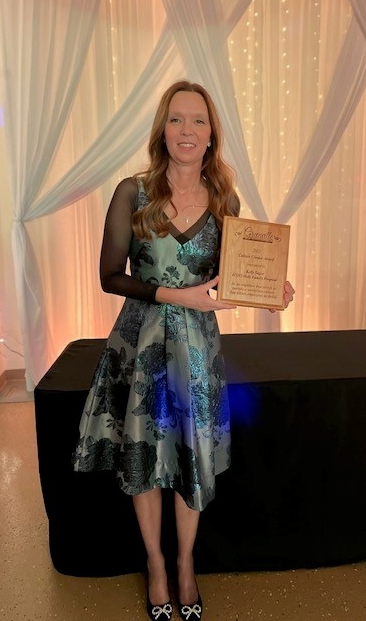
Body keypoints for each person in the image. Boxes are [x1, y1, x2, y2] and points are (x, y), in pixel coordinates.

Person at [73, 80, 295, 621]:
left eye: (198, 120)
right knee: (144, 456)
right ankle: (155, 565)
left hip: (196, 350)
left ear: (211, 132)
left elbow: (230, 279)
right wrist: (175, 294)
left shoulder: (226, 200)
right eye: (176, 119)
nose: (187, 130)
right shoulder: (133, 191)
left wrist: (271, 290)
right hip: (140, 344)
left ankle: (186, 565)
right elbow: (108, 277)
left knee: (190, 456)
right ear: (162, 129)